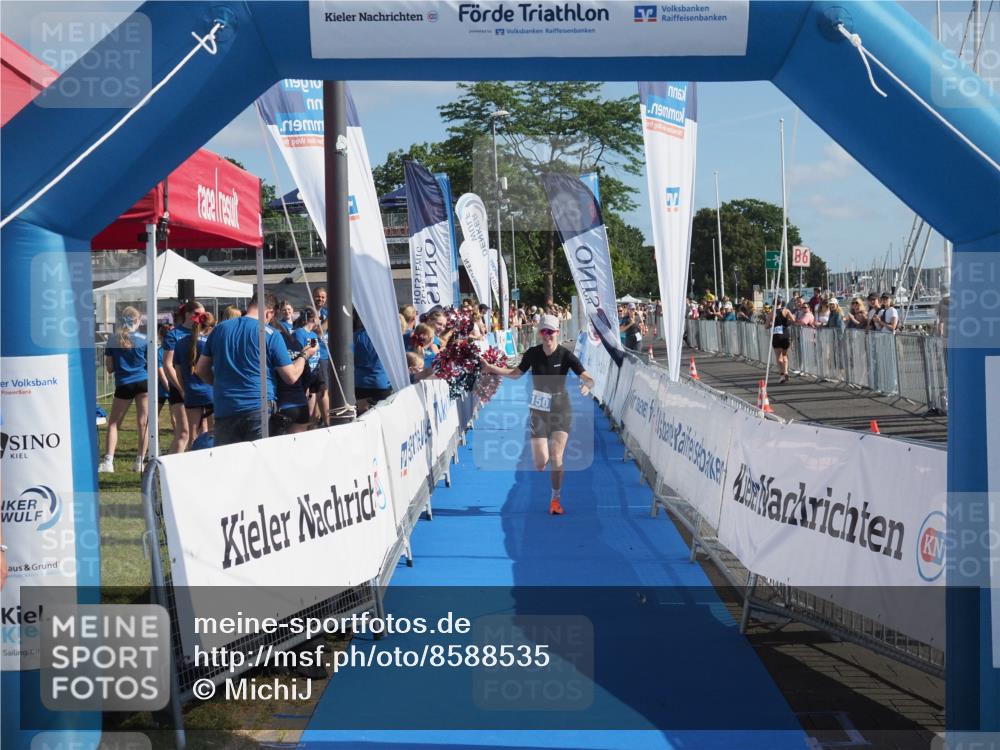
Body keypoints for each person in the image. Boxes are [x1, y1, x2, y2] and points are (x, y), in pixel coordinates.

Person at [481, 314, 595, 516]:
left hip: (561, 408)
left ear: (557, 332)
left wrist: (587, 384)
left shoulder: (565, 355)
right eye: (543, 331)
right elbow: (516, 374)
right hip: (538, 409)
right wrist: (492, 369)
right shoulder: (532, 353)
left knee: (556, 457)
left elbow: (587, 376)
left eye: (550, 332)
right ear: (539, 333)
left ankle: (555, 499)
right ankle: (542, 461)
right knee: (541, 461)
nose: (547, 336)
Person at [195, 292, 317, 446]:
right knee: (259, 463)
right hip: (257, 407)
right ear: (269, 312)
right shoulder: (270, 334)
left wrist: (220, 384)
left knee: (229, 462)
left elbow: (200, 369)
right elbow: (291, 376)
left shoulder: (220, 329)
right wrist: (305, 355)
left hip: (225, 406)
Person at [99, 306, 150, 473]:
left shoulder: (113, 339)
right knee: (143, 423)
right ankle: (140, 461)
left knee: (114, 423)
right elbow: (150, 364)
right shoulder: (145, 339)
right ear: (137, 321)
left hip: (124, 384)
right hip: (143, 382)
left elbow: (109, 367)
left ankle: (108, 462)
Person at [161, 301, 205, 453]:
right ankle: (168, 472)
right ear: (188, 315)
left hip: (200, 389)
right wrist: (181, 389)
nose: (201, 318)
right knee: (184, 432)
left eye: (204, 315)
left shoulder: (203, 333)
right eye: (198, 315)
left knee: (202, 433)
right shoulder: (174, 335)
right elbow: (168, 364)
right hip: (181, 389)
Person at [174, 310, 215, 444]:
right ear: (209, 328)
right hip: (210, 391)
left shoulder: (180, 343)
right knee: (214, 432)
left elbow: (178, 372)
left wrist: (184, 389)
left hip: (191, 391)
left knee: (193, 434)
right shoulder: (210, 342)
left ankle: (193, 458)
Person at [353, 311, 392, 411]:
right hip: (382, 382)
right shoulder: (387, 336)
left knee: (362, 418)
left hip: (361, 382)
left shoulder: (356, 336)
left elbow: (349, 356)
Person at [767, 299, 796, 384]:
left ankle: (782, 375)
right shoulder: (786, 311)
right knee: (784, 355)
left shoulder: (771, 313)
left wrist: (771, 324)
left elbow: (766, 326)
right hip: (785, 334)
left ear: (773, 304)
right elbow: (793, 320)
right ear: (782, 303)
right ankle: (786, 371)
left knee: (779, 357)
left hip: (776, 335)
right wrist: (787, 322)